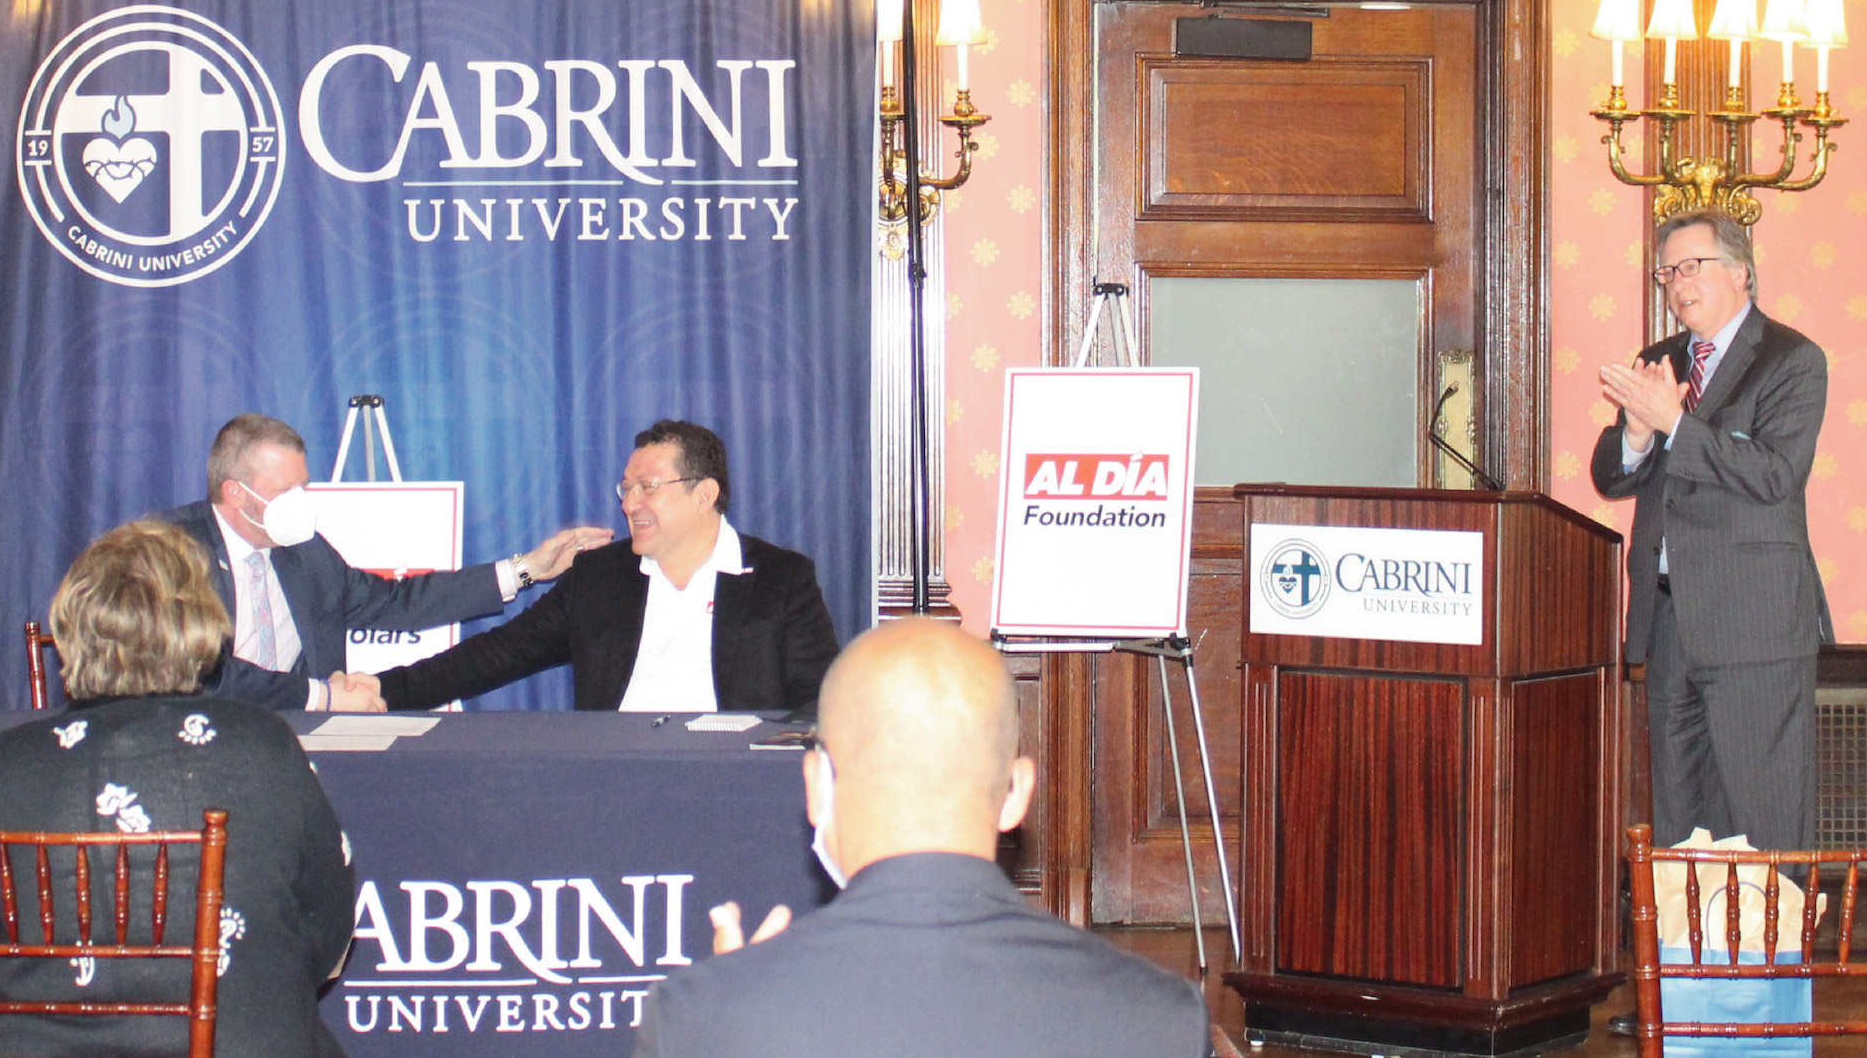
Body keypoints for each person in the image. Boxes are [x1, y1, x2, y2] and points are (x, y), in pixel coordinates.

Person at [631, 618, 1209, 1058]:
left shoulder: (700, 1017)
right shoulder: (1161, 1019)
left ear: (814, 784)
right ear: (1017, 792)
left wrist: (733, 1005)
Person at [0, 520, 356, 1057]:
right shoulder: (264, 746)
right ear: (202, 625)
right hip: (240, 1040)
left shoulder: (1, 765)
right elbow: (329, 929)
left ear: (73, 629)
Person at [1591, 208, 1830, 853]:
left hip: (1754, 621)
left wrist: (1674, 423)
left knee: (1764, 809)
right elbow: (1612, 478)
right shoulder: (1660, 360)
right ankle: (1683, 952)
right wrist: (1637, 437)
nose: (1676, 283)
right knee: (1678, 815)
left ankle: (1775, 954)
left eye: (1691, 266)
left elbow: (1776, 474)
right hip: (1669, 621)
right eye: (1667, 271)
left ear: (1742, 272)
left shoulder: (1791, 359)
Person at [372, 419, 839, 712]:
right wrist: (380, 691)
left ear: (705, 495)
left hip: (731, 785)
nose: (630, 503)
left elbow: (816, 699)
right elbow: (496, 655)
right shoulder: (601, 577)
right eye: (626, 488)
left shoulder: (781, 579)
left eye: (648, 487)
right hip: (614, 780)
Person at [162, 413, 610, 711]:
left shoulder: (304, 549)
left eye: (304, 487)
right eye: (286, 492)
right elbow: (206, 672)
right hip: (199, 742)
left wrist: (526, 568)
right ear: (235, 493)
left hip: (294, 749)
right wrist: (325, 696)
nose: (301, 504)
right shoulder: (167, 555)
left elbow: (396, 602)